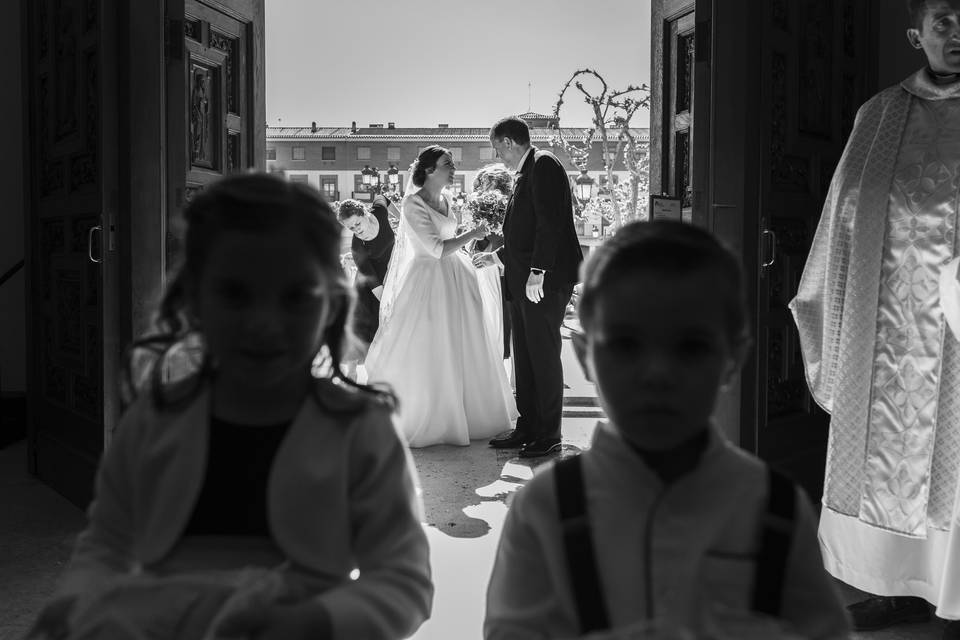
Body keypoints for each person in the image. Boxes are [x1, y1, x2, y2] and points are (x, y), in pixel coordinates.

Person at [28, 173, 432, 640]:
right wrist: (76, 605)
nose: (264, 322)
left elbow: (404, 581)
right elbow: (108, 542)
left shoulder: (360, 428)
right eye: (235, 294)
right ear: (194, 300)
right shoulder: (156, 418)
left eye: (295, 296)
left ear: (331, 304)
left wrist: (314, 622)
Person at [484, 220, 850, 639]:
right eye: (626, 345)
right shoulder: (546, 512)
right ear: (585, 355)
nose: (657, 373)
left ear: (732, 357)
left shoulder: (774, 512)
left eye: (690, 347)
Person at [790, 1, 960, 635]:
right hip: (884, 325)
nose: (956, 32)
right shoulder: (880, 114)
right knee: (884, 453)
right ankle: (892, 584)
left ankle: (953, 594)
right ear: (917, 35)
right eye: (943, 20)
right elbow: (843, 214)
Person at [364, 146, 518, 447]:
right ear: (429, 170)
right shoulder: (412, 203)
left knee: (464, 342)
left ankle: (469, 413)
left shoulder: (446, 199)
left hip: (456, 276)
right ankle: (433, 417)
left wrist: (479, 243)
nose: (453, 169)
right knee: (432, 344)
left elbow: (450, 242)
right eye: (448, 164)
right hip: (427, 280)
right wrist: (471, 235)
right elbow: (435, 249)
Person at [473, 116, 584, 458]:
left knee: (543, 357)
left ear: (508, 142)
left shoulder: (544, 164)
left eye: (497, 149)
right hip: (524, 282)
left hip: (543, 283)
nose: (498, 156)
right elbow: (525, 231)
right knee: (525, 358)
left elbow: (549, 224)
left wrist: (538, 270)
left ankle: (548, 434)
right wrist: (498, 257)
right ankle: (529, 426)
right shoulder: (527, 172)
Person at [337, 195, 396, 375]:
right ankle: (352, 371)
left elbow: (383, 198)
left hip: (390, 272)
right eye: (350, 228)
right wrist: (390, 302)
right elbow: (375, 284)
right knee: (364, 327)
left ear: (365, 214)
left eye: (357, 224)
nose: (356, 230)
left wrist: (401, 217)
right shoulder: (357, 247)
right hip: (369, 286)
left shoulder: (379, 212)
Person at [471, 163, 514, 361]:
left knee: (501, 322)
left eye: (483, 184)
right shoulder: (485, 209)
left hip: (502, 271)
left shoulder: (508, 208)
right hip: (490, 270)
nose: (480, 188)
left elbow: (503, 241)